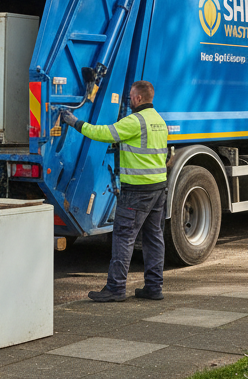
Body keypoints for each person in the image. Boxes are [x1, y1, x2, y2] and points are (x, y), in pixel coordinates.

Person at [59, 80, 170, 302]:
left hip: (137, 191)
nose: (129, 100)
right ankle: (154, 287)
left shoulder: (135, 121)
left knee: (123, 236)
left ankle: (116, 288)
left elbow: (103, 133)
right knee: (154, 238)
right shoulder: (159, 120)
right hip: (158, 188)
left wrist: (75, 122)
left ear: (138, 98)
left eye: (130, 96)